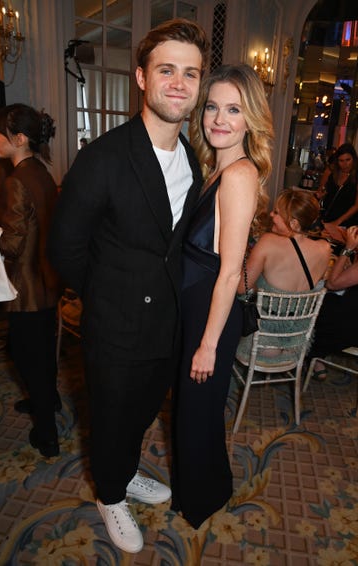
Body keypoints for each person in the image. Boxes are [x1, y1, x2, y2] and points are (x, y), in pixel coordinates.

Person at [48, 18, 210, 554]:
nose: (179, 83)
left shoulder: (190, 156)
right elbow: (65, 248)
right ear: (141, 77)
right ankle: (109, 494)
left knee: (142, 413)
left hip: (165, 325)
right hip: (116, 325)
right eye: (167, 70)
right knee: (113, 417)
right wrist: (109, 299)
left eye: (190, 73)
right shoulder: (105, 156)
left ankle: (125, 470)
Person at [171, 63, 274, 529]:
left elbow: (231, 270)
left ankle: (203, 497)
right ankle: (205, 486)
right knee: (194, 410)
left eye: (233, 109)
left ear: (250, 118)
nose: (219, 118)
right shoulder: (218, 167)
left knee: (198, 410)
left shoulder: (238, 175)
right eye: (213, 106)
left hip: (213, 308)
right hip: (199, 303)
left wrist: (209, 343)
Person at [0, 103, 62, 458]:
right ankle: (49, 400)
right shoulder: (40, 170)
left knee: (27, 358)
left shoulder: (15, 181)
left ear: (19, 139)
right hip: (45, 281)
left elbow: (12, 242)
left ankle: (47, 435)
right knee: (38, 354)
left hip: (26, 289)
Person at [236, 188, 331, 363]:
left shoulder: (268, 242)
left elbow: (242, 287)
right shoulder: (325, 248)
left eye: (277, 212)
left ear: (294, 223)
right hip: (297, 343)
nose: (271, 214)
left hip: (263, 342)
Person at [308, 225, 358, 381]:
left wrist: (348, 248)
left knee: (313, 303)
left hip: (350, 329)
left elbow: (332, 283)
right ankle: (317, 358)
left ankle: (310, 354)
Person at [318, 142, 358, 227]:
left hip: (347, 222)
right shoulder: (330, 172)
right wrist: (321, 194)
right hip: (326, 218)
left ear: (353, 159)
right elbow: (320, 192)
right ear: (337, 161)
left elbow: (356, 206)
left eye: (348, 160)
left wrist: (337, 222)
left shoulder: (356, 176)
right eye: (341, 160)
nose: (345, 164)